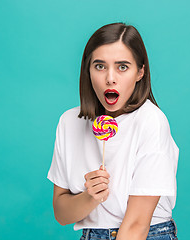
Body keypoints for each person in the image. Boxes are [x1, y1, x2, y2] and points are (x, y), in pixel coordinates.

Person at [47, 22, 179, 240]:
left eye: (122, 67)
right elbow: (62, 214)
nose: (110, 78)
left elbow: (137, 225)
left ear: (140, 72)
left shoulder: (151, 121)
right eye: (99, 66)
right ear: (87, 70)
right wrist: (90, 197)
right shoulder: (69, 121)